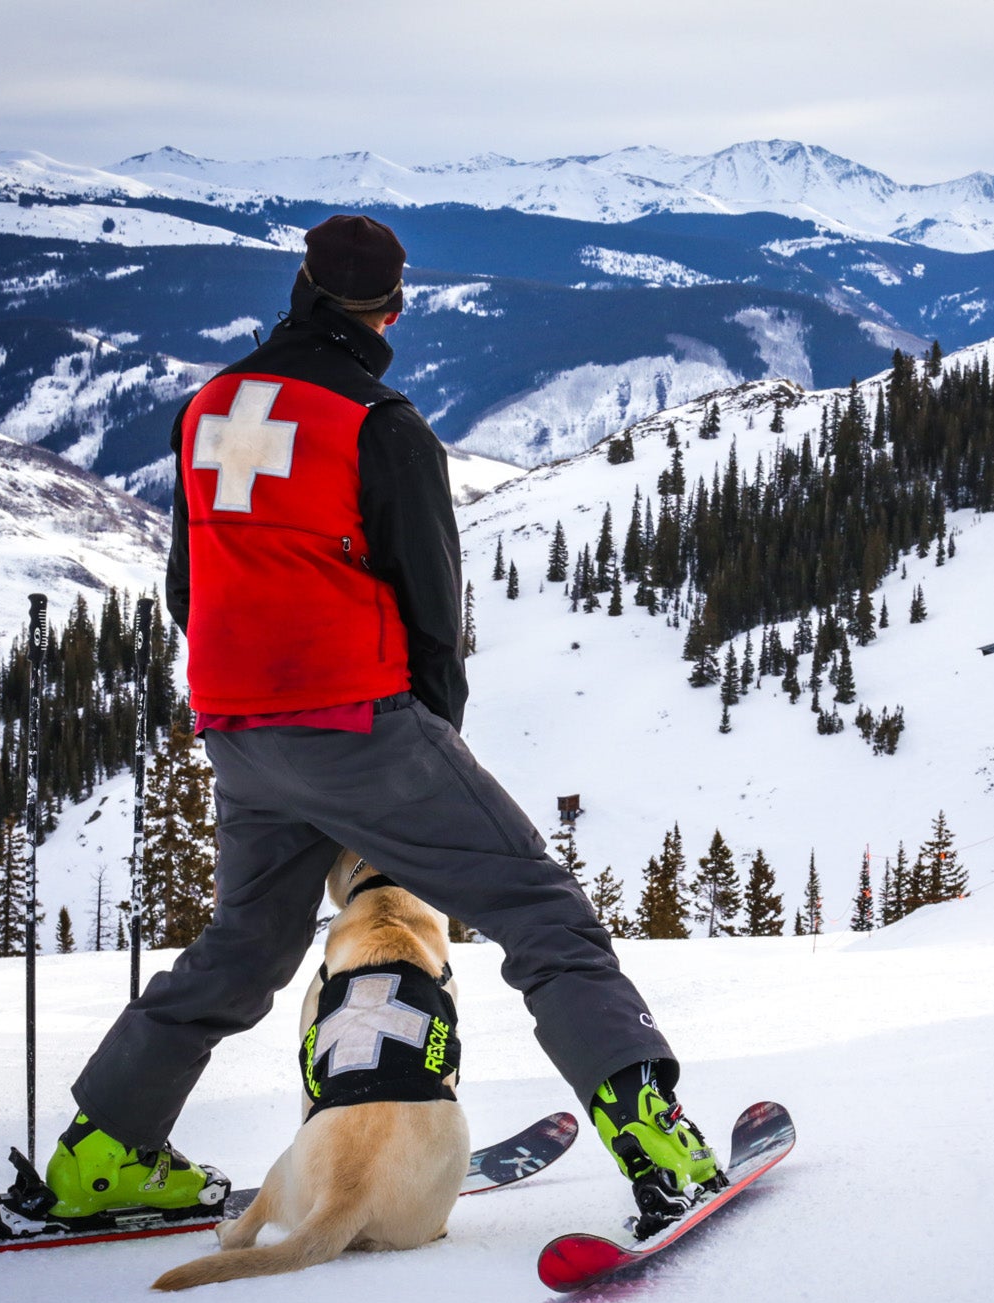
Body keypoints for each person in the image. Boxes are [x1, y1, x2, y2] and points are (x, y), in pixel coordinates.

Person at [38, 214, 718, 1237]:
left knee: (243, 950)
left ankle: (99, 1159)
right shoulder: (380, 423)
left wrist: (250, 701)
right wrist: (422, 745)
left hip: (238, 723)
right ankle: (654, 1136)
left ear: (302, 287)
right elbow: (431, 607)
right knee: (539, 908)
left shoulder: (208, 406)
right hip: (358, 718)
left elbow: (189, 584)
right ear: (392, 308)